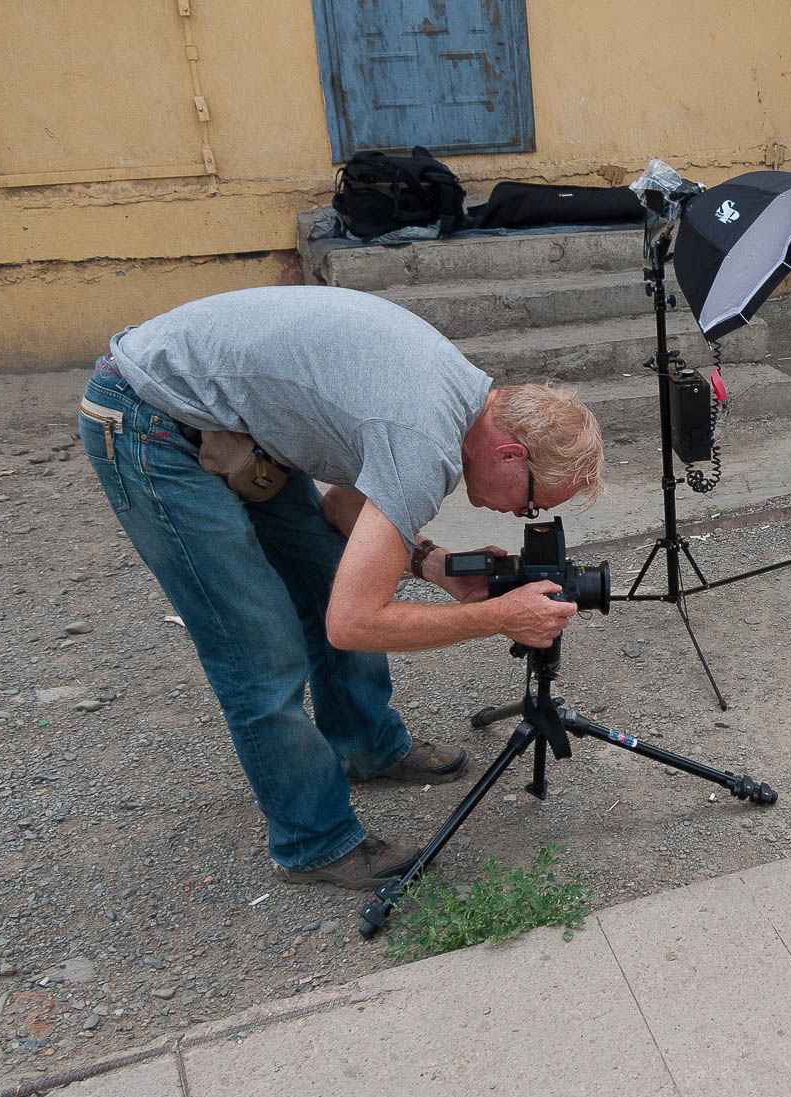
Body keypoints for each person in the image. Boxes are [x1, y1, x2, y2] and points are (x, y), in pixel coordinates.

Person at [76, 286, 605, 890]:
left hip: (226, 422)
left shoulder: (461, 396)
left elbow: (341, 510)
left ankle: (364, 746)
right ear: (511, 453)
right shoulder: (423, 440)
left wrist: (431, 565)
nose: (522, 516)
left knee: (329, 571)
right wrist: (500, 617)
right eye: (533, 500)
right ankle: (313, 841)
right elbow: (351, 624)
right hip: (149, 419)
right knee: (259, 647)